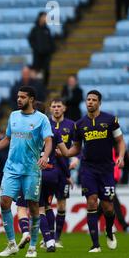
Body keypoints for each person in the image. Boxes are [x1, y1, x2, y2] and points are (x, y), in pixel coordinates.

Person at [0, 86, 53, 258]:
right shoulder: (13, 116)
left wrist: (45, 156)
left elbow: (48, 141)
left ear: (31, 99)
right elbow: (7, 139)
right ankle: (12, 243)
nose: (19, 99)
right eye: (18, 97)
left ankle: (33, 247)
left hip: (31, 170)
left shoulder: (41, 119)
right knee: (4, 202)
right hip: (12, 168)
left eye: (22, 97)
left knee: (34, 207)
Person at [62, 90, 126, 252]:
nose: (90, 102)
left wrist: (120, 156)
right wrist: (64, 152)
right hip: (88, 169)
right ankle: (95, 245)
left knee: (108, 207)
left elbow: (120, 141)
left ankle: (109, 231)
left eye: (93, 100)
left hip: (106, 169)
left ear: (99, 102)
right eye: (88, 99)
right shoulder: (80, 124)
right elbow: (76, 148)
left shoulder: (111, 120)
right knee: (91, 201)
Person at [49, 99, 78, 246]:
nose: (56, 109)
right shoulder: (45, 124)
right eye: (53, 106)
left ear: (64, 108)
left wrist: (76, 159)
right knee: (45, 205)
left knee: (61, 205)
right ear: (50, 108)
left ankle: (57, 238)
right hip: (48, 169)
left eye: (59, 106)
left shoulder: (71, 125)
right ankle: (48, 238)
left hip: (63, 170)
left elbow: (78, 146)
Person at [28, 12, 55, 86]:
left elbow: (50, 41)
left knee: (46, 70)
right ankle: (36, 87)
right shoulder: (35, 29)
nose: (45, 19)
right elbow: (30, 40)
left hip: (46, 55)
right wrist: (36, 48)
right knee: (36, 72)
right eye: (44, 17)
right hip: (37, 55)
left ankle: (44, 87)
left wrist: (51, 49)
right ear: (39, 18)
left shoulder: (47, 29)